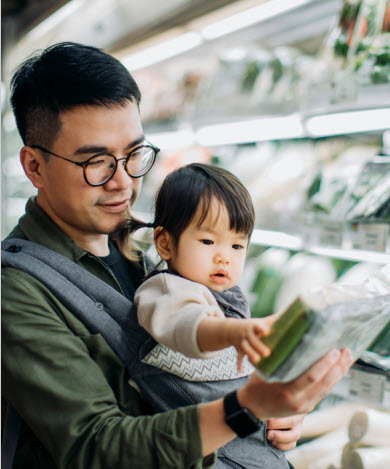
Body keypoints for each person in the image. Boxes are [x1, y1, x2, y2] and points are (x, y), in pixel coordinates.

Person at [1, 41, 354, 469]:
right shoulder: (15, 291)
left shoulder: (146, 246)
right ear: (33, 166)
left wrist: (272, 414)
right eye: (96, 162)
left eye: (133, 154)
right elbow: (96, 446)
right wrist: (242, 410)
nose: (123, 182)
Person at [128, 162, 291, 468]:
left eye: (237, 245)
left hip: (247, 442)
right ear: (164, 242)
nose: (224, 256)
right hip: (208, 453)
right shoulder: (165, 290)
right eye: (207, 241)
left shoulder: (230, 296)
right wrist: (232, 332)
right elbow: (188, 326)